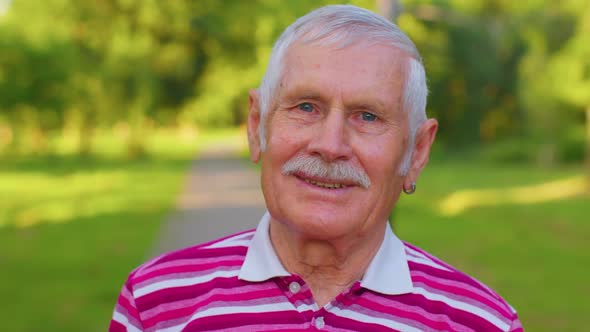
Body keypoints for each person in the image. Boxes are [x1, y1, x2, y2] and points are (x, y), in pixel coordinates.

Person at [110, 5, 522, 331]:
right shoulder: (156, 302)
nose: (330, 145)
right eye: (306, 107)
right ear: (257, 127)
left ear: (416, 152)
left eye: (367, 116)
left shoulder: (480, 323)